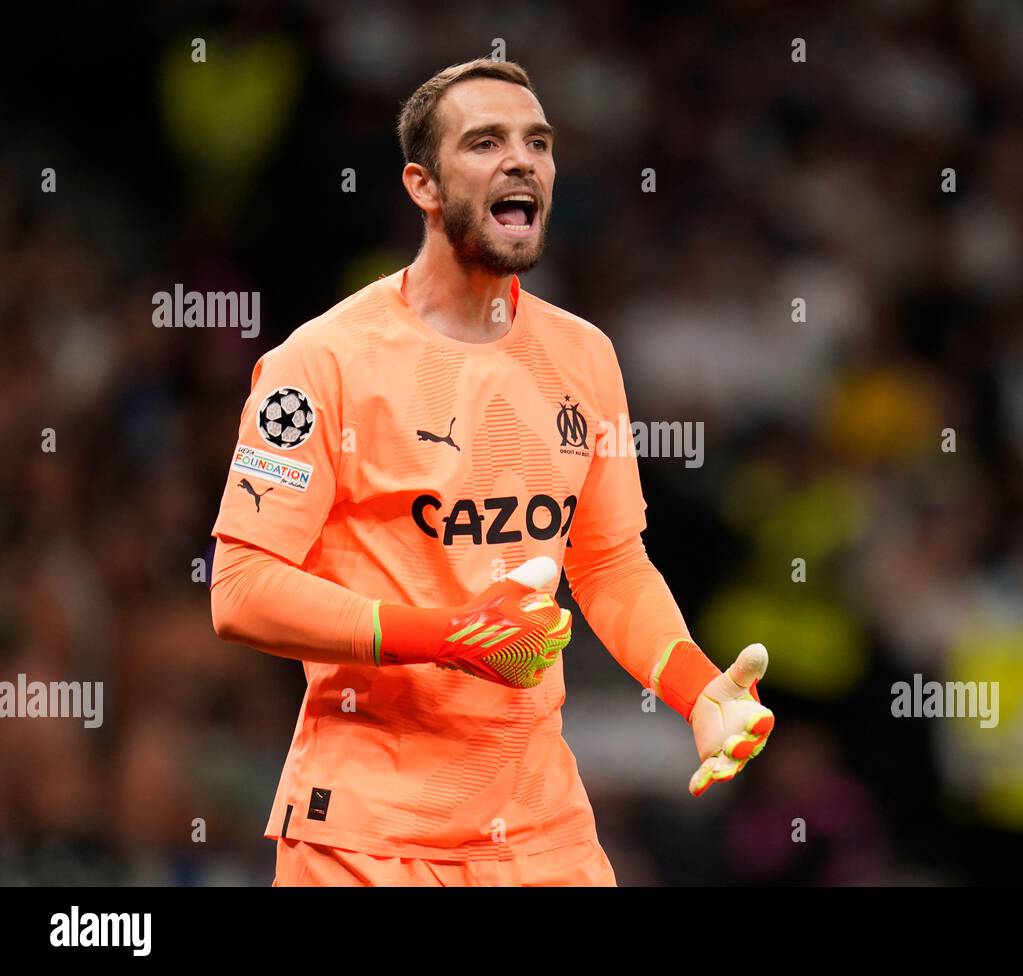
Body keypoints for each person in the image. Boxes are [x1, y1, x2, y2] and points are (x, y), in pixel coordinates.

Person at [208, 58, 774, 886]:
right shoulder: (319, 363)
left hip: (543, 834)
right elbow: (242, 588)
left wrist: (698, 690)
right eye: (485, 142)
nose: (523, 160)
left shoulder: (585, 355)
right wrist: (448, 639)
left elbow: (610, 563)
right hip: (367, 838)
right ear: (424, 186)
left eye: (537, 142)